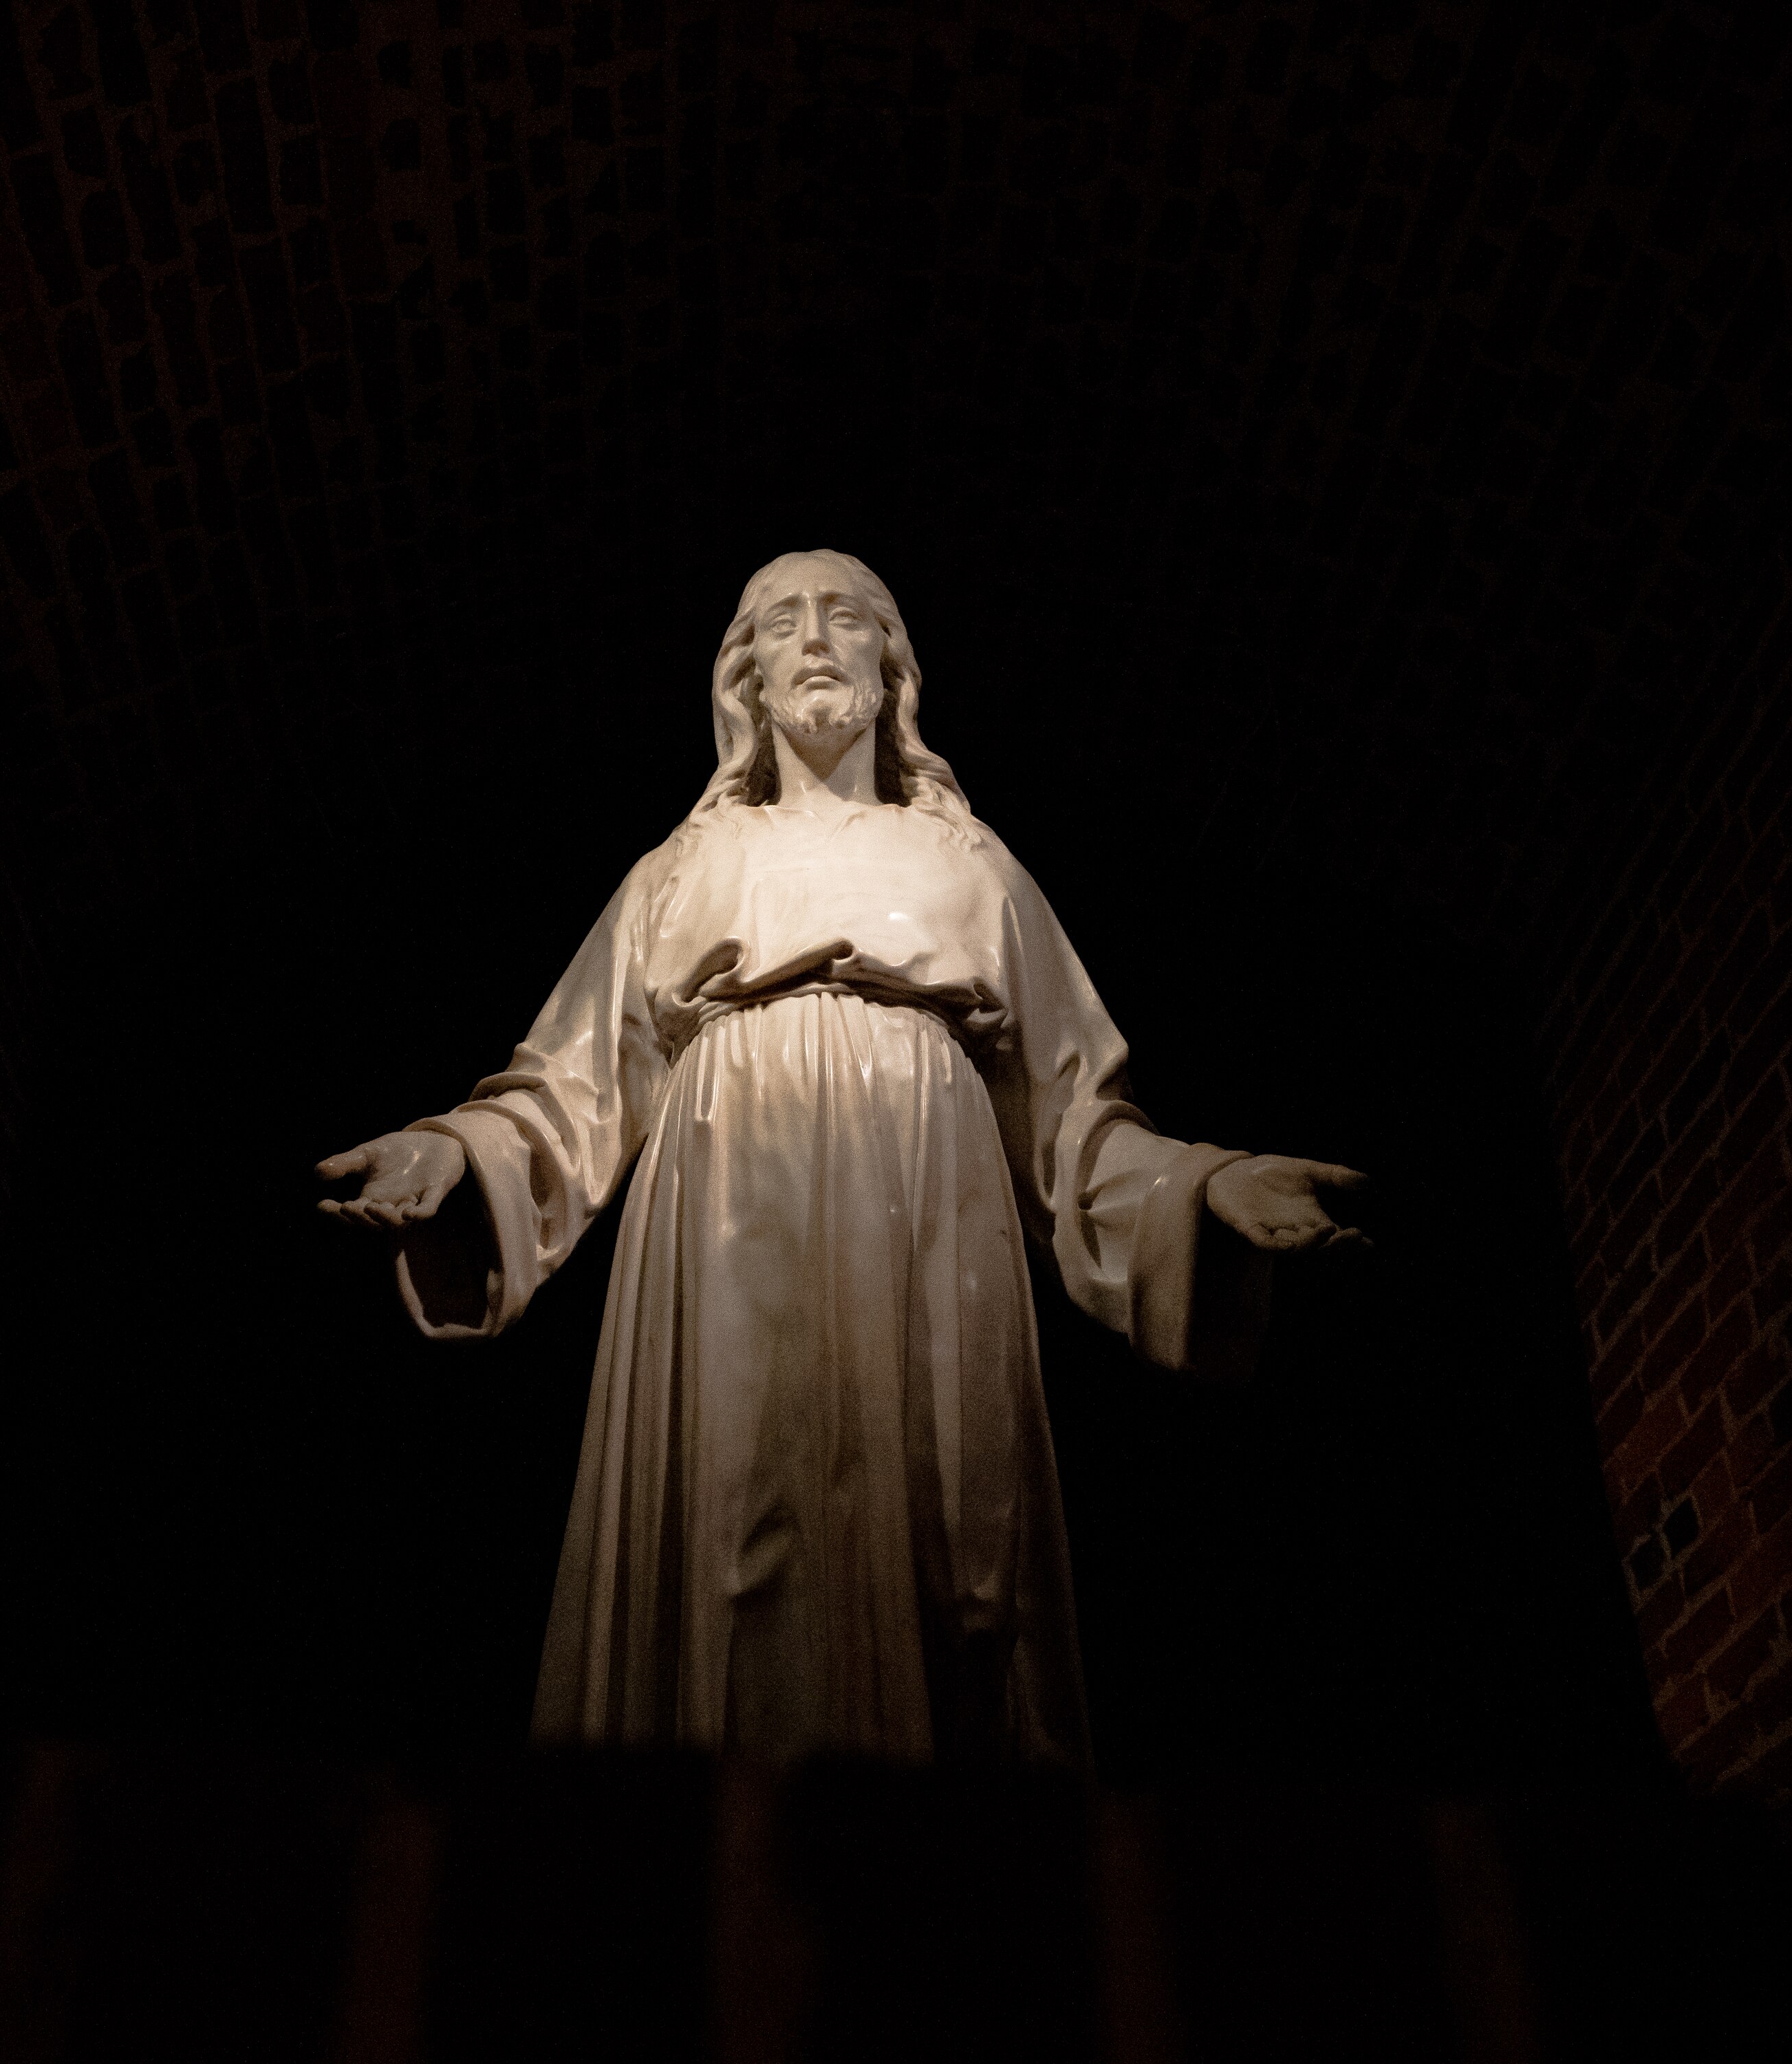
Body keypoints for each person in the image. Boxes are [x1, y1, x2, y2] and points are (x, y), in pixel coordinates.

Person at [319, 550, 1365, 1765]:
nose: (815, 639)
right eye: (781, 623)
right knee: (731, 1519)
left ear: (891, 666)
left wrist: (1204, 1187)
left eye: (848, 617)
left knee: (950, 1544)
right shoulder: (680, 872)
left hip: (932, 1211)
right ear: (746, 679)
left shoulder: (971, 864)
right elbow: (568, 1093)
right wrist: (458, 1151)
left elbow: (1075, 1126)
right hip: (726, 1206)